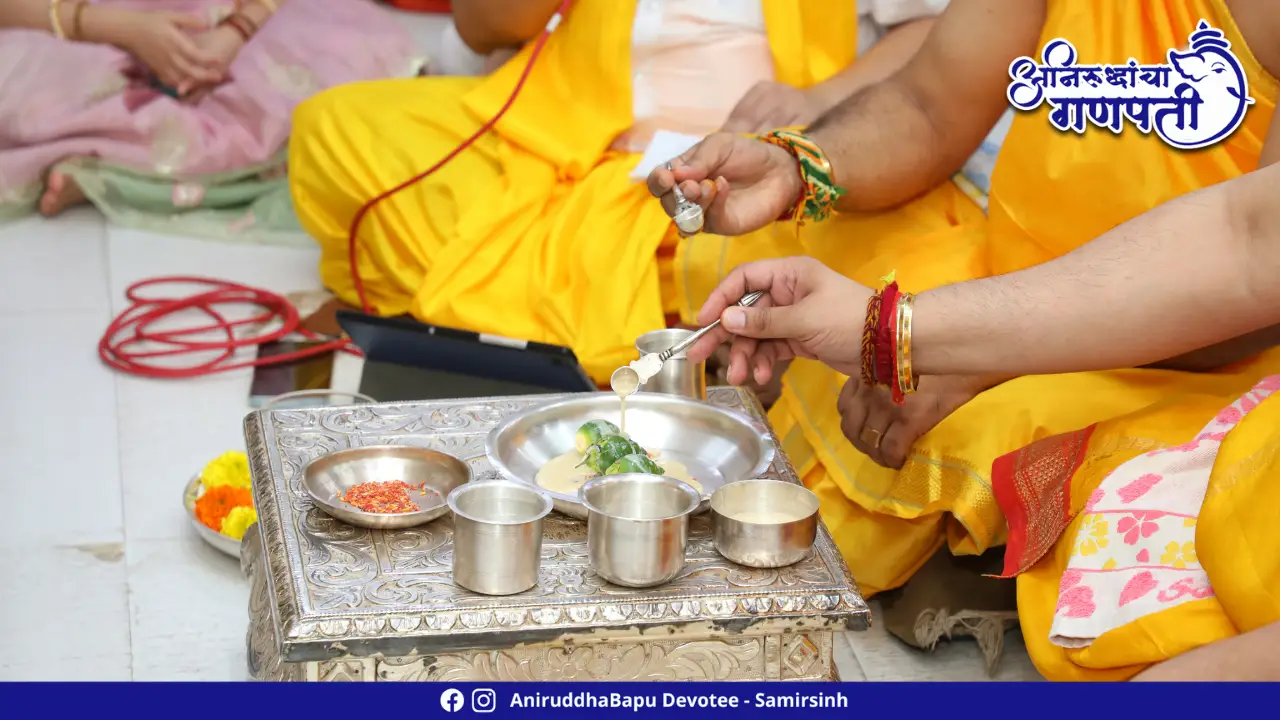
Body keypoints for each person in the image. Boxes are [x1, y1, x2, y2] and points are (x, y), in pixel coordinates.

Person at [647, 0, 1280, 601]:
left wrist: (960, 350)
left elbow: (1249, 266)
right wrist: (799, 165)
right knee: (786, 253)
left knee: (991, 434)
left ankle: (983, 564)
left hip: (1186, 342)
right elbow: (929, 105)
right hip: (1009, 265)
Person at [682, 151, 1280, 680]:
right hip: (1071, 281)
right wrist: (892, 330)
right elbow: (1247, 236)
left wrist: (926, 344)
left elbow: (1249, 274)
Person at [287, 0, 951, 383]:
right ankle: (680, 321)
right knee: (332, 131)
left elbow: (930, 33)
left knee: (837, 232)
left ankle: (665, 306)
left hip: (742, 164)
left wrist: (819, 101)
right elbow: (489, 24)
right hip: (558, 145)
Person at [0, 0, 419, 240]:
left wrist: (236, 30)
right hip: (67, 20)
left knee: (322, 79)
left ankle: (109, 164)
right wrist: (123, 28)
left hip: (237, 19)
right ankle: (106, 159)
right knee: (42, 90)